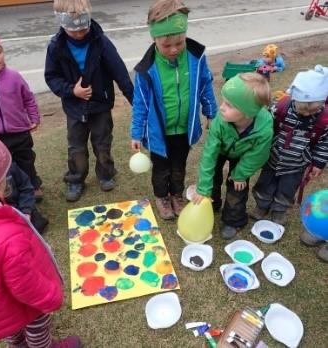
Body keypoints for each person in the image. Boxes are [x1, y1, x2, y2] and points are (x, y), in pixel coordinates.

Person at [0, 128, 81, 347]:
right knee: (36, 329)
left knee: (13, 331)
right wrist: (51, 296)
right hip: (27, 304)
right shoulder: (6, 235)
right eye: (4, 176)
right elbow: (24, 284)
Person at [131, 0, 218, 220]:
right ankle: (161, 196)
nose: (174, 49)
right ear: (154, 39)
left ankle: (176, 194)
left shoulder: (196, 58)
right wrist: (136, 132)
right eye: (166, 45)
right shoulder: (146, 69)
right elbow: (140, 102)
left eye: (179, 43)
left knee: (179, 165)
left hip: (184, 129)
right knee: (161, 169)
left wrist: (211, 112)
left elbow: (205, 84)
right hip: (159, 132)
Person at [45, 0, 133, 202]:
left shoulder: (101, 42)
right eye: (73, 30)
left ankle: (106, 173)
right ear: (62, 24)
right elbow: (51, 77)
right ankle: (75, 179)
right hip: (75, 108)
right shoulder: (56, 47)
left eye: (83, 28)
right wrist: (71, 91)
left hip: (100, 106)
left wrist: (135, 101)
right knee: (76, 147)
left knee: (103, 143)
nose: (79, 34)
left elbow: (120, 73)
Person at [251, 66, 328, 261]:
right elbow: (264, 124)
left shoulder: (324, 120)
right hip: (272, 158)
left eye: (312, 108)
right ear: (293, 97)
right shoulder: (281, 107)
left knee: (287, 189)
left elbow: (324, 143)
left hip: (297, 164)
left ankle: (279, 211)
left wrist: (318, 163)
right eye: (302, 107)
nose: (305, 113)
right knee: (265, 184)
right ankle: (261, 206)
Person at [192, 73, 273, 239]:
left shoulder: (264, 129)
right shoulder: (220, 122)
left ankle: (233, 220)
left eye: (229, 105)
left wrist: (240, 174)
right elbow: (209, 154)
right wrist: (203, 188)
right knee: (212, 176)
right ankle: (210, 203)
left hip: (243, 156)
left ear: (248, 112)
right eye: (223, 102)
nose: (221, 107)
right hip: (221, 150)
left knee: (237, 187)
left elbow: (257, 155)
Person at [0, 29, 44, 201]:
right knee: (2, 166)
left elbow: (29, 98)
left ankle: (33, 186)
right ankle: (9, 192)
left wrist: (34, 117)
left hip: (20, 131)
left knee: (26, 160)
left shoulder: (14, 77)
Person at [6, 162, 49, 234]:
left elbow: (26, 188)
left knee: (37, 226)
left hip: (20, 209)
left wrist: (26, 211)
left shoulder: (10, 167)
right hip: (0, 218)